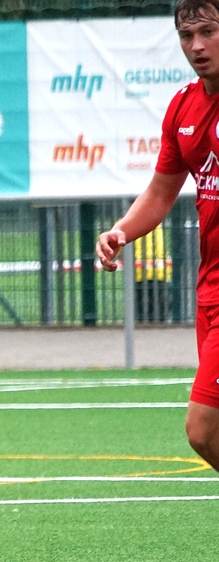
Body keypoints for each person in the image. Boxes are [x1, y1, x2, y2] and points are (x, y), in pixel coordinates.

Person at [96, 0, 219, 475]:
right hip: (209, 291)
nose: (197, 46)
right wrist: (121, 231)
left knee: (203, 429)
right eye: (187, 36)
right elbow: (161, 191)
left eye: (208, 32)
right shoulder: (183, 106)